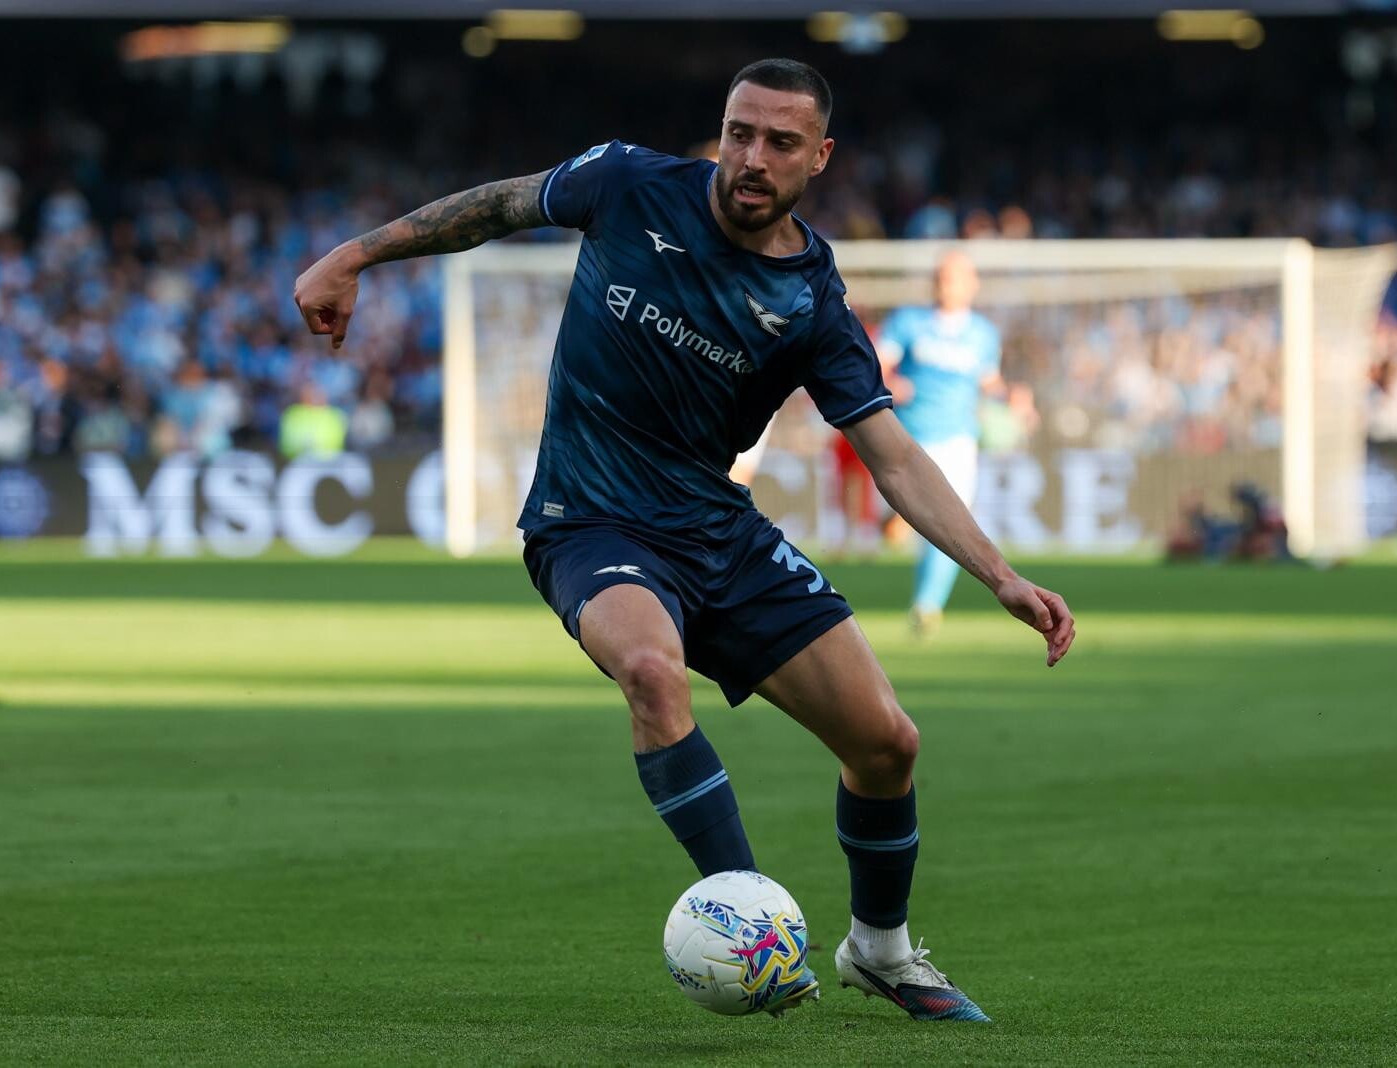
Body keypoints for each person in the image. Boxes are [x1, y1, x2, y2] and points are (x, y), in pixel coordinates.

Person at [294, 58, 1074, 1023]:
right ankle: (754, 925)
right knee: (652, 672)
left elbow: (895, 457)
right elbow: (498, 205)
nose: (752, 158)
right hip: (589, 522)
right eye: (740, 133)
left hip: (718, 531)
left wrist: (999, 576)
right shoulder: (627, 182)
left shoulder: (811, 299)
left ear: (819, 157)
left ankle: (879, 951)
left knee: (887, 744)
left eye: (780, 142)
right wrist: (354, 256)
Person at [878, 251, 1009, 636]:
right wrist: (892, 383)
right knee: (909, 520)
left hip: (958, 439)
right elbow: (876, 364)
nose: (945, 284)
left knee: (953, 522)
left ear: (972, 284)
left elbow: (989, 382)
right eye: (941, 276)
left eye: (953, 277)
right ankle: (895, 520)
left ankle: (927, 605)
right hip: (909, 438)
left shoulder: (984, 334)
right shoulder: (908, 321)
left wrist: (1011, 398)